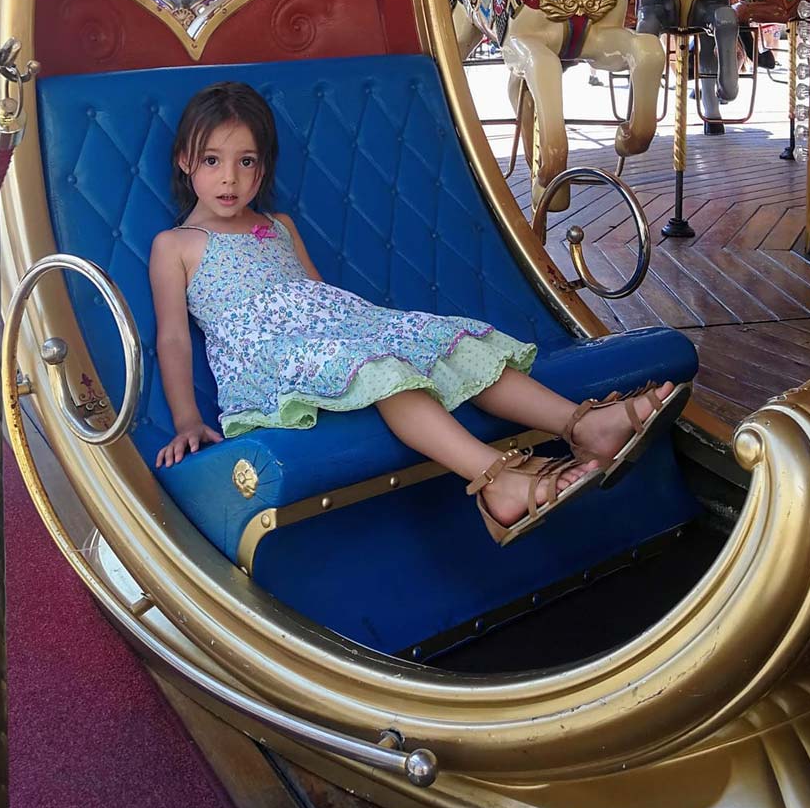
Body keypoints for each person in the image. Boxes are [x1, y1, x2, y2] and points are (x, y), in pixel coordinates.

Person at [150, 82, 687, 544]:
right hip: (271, 359)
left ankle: (584, 424)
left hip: (333, 330)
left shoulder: (279, 225)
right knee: (385, 369)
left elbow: (315, 294)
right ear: (184, 162)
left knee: (447, 342)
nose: (230, 179)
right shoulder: (176, 244)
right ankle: (495, 480)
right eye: (212, 161)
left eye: (246, 162)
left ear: (263, 166)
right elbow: (173, 337)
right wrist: (186, 420)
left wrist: (374, 331)